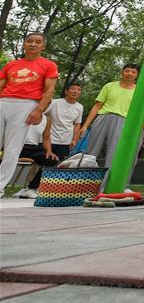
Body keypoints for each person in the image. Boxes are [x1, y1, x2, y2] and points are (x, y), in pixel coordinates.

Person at [0, 32, 59, 193]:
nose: (33, 44)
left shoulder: (49, 65)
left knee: (12, 148)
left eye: (38, 42)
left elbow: (49, 90)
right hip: (3, 102)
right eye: (30, 41)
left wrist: (39, 110)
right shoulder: (11, 64)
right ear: (24, 44)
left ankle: (0, 186)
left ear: (43, 46)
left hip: (27, 104)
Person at [79, 64, 144, 182]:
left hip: (124, 120)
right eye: (127, 71)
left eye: (133, 72)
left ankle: (107, 185)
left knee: (114, 154)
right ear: (122, 72)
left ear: (137, 75)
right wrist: (85, 125)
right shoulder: (109, 86)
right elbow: (97, 106)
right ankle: (83, 183)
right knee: (91, 152)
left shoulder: (139, 90)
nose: (130, 74)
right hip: (104, 117)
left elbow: (142, 115)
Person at [14, 108, 57, 198]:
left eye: (48, 104)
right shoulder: (21, 114)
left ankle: (31, 188)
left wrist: (49, 151)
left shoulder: (46, 119)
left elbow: (46, 138)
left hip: (34, 148)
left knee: (51, 160)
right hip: (18, 146)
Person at [45, 82, 83, 159]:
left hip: (66, 141)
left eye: (78, 90)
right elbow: (42, 115)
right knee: (46, 162)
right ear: (66, 91)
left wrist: (74, 140)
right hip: (49, 139)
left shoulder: (80, 107)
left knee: (59, 165)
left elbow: (77, 124)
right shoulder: (55, 103)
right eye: (73, 89)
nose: (75, 91)